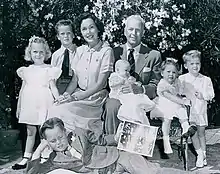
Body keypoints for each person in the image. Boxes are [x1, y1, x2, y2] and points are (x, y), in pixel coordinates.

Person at [27, 117, 192, 174]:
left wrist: (118, 137)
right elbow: (33, 172)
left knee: (150, 172)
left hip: (117, 157)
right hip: (107, 172)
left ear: (66, 131)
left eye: (60, 137)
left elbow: (102, 139)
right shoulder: (55, 159)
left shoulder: (80, 133)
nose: (59, 142)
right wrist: (39, 149)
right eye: (53, 141)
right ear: (47, 142)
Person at [47, 12, 114, 131]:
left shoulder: (106, 51)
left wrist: (76, 97)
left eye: (91, 27)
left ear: (98, 28)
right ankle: (53, 146)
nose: (88, 32)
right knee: (55, 108)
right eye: (84, 29)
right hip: (78, 95)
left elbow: (100, 84)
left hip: (94, 100)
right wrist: (66, 95)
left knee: (62, 112)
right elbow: (75, 79)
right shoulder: (80, 50)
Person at [103, 14, 162, 134]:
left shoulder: (153, 55)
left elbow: (156, 85)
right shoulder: (114, 52)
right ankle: (112, 145)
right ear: (125, 31)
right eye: (130, 29)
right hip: (118, 95)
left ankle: (136, 147)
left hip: (140, 98)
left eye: (137, 30)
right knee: (112, 106)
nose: (133, 33)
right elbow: (106, 79)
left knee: (136, 108)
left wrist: (141, 89)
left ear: (143, 32)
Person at [12, 36, 61, 170]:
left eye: (41, 52)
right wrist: (19, 107)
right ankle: (26, 157)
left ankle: (45, 156)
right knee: (30, 131)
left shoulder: (49, 69)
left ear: (46, 53)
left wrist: (59, 99)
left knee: (44, 131)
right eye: (35, 52)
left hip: (44, 102)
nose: (38, 55)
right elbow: (22, 90)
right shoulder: (26, 70)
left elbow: (53, 87)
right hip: (29, 103)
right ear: (30, 53)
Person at [150, 59, 197, 154]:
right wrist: (182, 101)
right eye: (168, 72)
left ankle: (185, 128)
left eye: (174, 72)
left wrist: (183, 100)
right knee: (167, 118)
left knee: (182, 111)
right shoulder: (162, 84)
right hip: (163, 106)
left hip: (175, 104)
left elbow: (177, 94)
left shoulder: (177, 82)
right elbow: (169, 96)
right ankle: (166, 142)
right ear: (162, 73)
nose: (171, 74)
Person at [179, 50, 215, 168]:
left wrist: (203, 95)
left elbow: (211, 94)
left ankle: (203, 154)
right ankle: (199, 155)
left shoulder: (206, 79)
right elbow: (178, 92)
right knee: (193, 134)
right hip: (189, 112)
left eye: (197, 63)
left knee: (201, 133)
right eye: (192, 64)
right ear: (186, 65)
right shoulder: (182, 79)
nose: (195, 66)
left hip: (201, 111)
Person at [109, 59, 155, 125]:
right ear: (117, 70)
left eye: (129, 71)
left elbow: (133, 85)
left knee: (137, 100)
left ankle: (143, 121)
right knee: (132, 102)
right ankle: (134, 119)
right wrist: (123, 81)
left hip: (128, 93)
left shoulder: (126, 77)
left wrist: (135, 83)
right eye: (126, 70)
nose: (128, 73)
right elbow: (112, 84)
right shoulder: (115, 76)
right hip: (119, 94)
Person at [51, 19, 77, 94]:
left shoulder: (79, 52)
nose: (66, 36)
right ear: (58, 36)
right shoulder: (56, 55)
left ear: (73, 35)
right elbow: (53, 77)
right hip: (59, 86)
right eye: (62, 34)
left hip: (75, 87)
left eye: (68, 33)